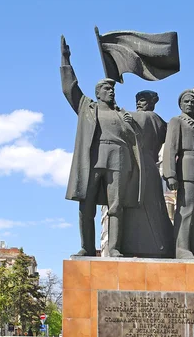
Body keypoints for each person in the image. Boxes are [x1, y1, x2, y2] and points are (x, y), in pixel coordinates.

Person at [60, 36, 142, 257]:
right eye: (106, 88)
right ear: (98, 93)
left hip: (119, 159)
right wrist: (66, 61)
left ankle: (114, 248)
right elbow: (70, 89)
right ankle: (87, 247)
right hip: (94, 159)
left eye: (112, 89)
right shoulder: (88, 108)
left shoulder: (122, 114)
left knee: (116, 206)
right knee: (86, 206)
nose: (111, 91)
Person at [122, 90, 174, 257]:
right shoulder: (163, 123)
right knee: (154, 206)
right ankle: (161, 245)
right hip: (151, 166)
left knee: (138, 206)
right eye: (137, 100)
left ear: (151, 103)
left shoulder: (145, 117)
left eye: (143, 101)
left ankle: (134, 245)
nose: (139, 103)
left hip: (137, 165)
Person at [163, 89, 194, 259]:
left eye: (193, 102)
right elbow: (170, 148)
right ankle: (181, 248)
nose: (190, 104)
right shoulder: (177, 121)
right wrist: (171, 174)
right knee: (185, 209)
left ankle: (193, 248)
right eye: (187, 101)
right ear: (180, 104)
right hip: (186, 169)